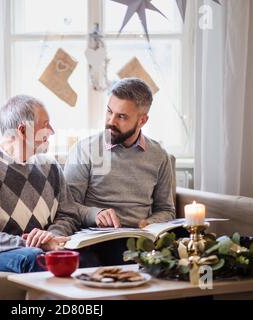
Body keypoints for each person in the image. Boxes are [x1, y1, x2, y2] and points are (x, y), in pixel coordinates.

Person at [64, 78, 176, 266]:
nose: (110, 121)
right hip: (98, 239)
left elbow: (166, 210)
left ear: (142, 120)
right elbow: (67, 206)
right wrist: (96, 214)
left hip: (141, 240)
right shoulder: (84, 150)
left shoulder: (159, 156)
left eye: (121, 117)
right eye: (109, 111)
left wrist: (149, 223)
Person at [0, 95, 82, 273]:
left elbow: (69, 214)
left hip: (43, 247)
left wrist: (53, 236)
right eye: (45, 125)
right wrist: (33, 242)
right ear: (23, 130)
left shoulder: (50, 166)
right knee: (37, 259)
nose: (51, 131)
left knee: (89, 256)